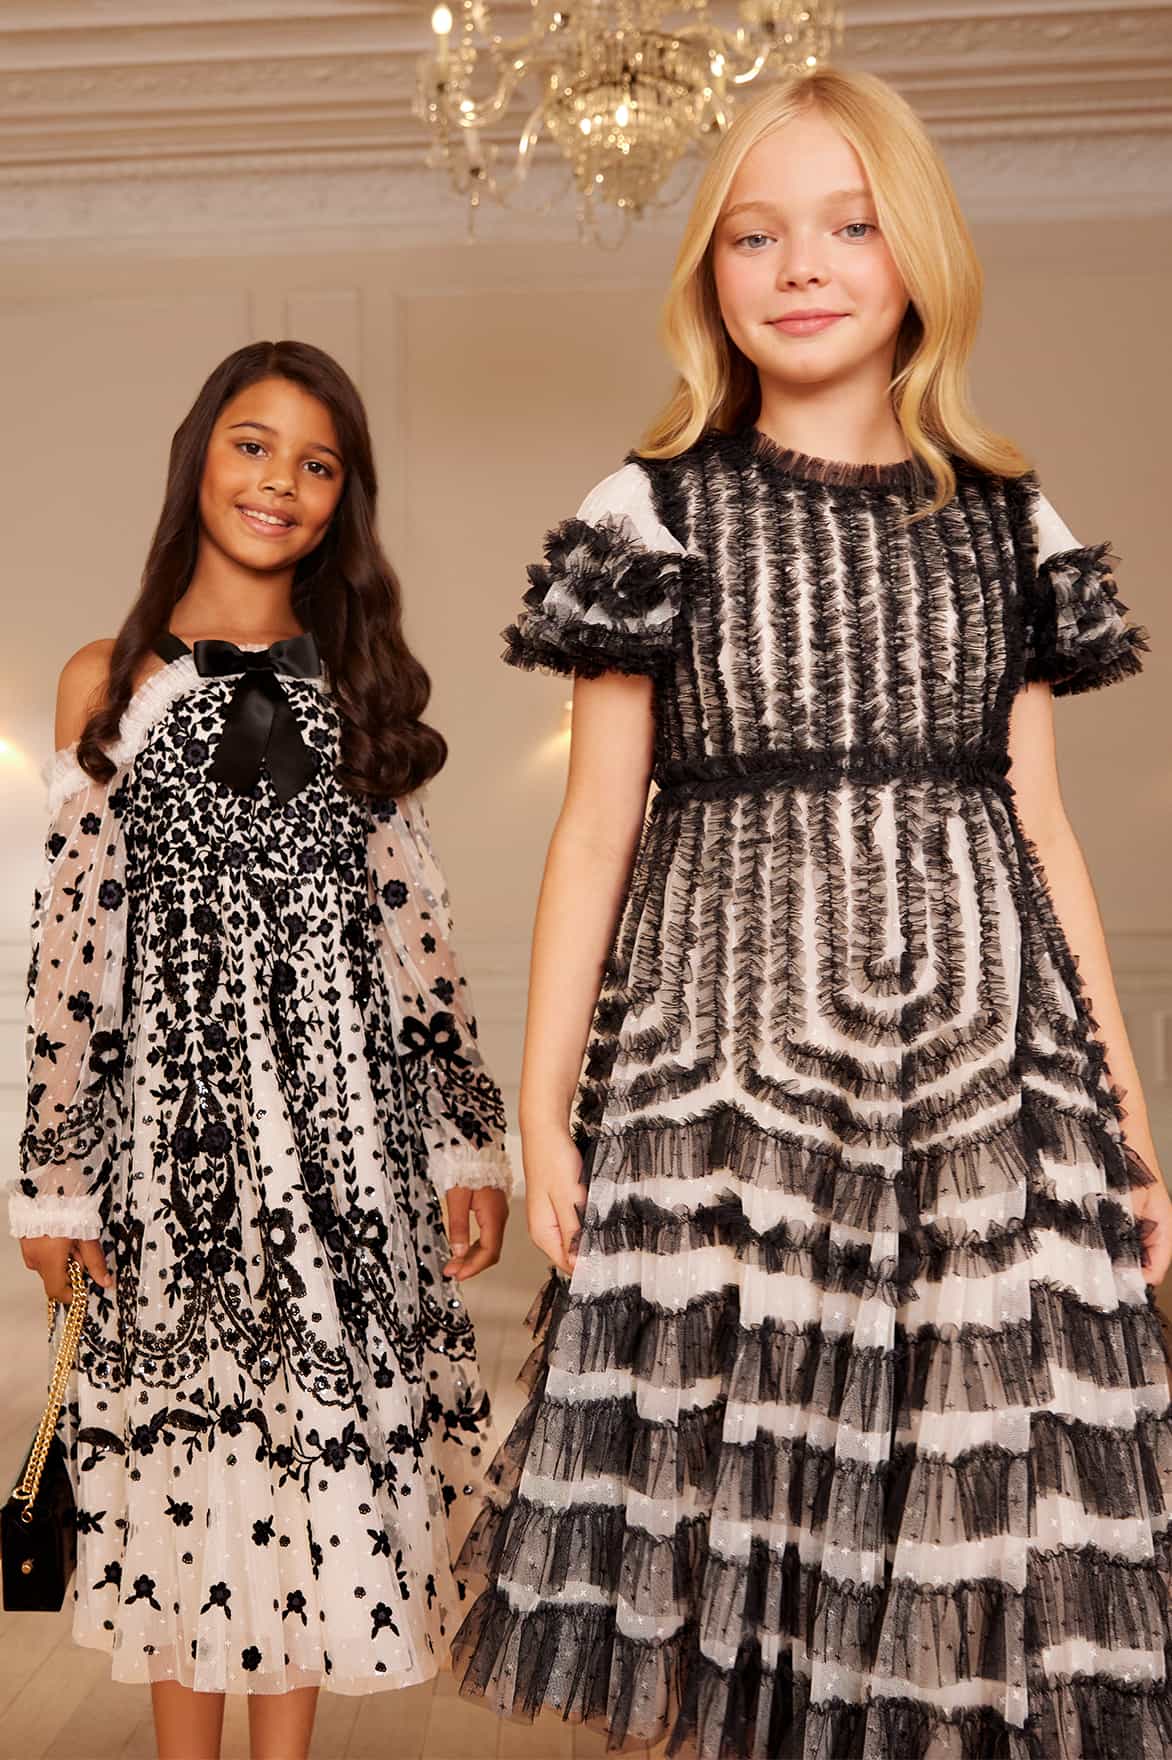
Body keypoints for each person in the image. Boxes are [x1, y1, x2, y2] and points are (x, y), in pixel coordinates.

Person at [452, 68, 1172, 1758]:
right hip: (726, 1093)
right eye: (754, 235)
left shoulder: (1008, 521)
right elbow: (592, 833)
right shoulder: (654, 511)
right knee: (738, 1538)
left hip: (984, 1090)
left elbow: (1045, 831)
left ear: (918, 256)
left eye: (850, 226)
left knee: (970, 1545)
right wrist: (544, 1115)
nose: (802, 267)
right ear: (709, 273)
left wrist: (1128, 1116)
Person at [10, 340, 512, 1760]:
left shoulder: (355, 692)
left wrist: (466, 1141)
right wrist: (55, 1178)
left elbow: (416, 935)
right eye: (252, 444)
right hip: (173, 1144)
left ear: (344, 499)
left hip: (343, 1145)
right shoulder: (106, 681)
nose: (279, 481)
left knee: (307, 1463)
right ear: (197, 457)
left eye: (318, 463)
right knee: (189, 1457)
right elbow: (73, 953)